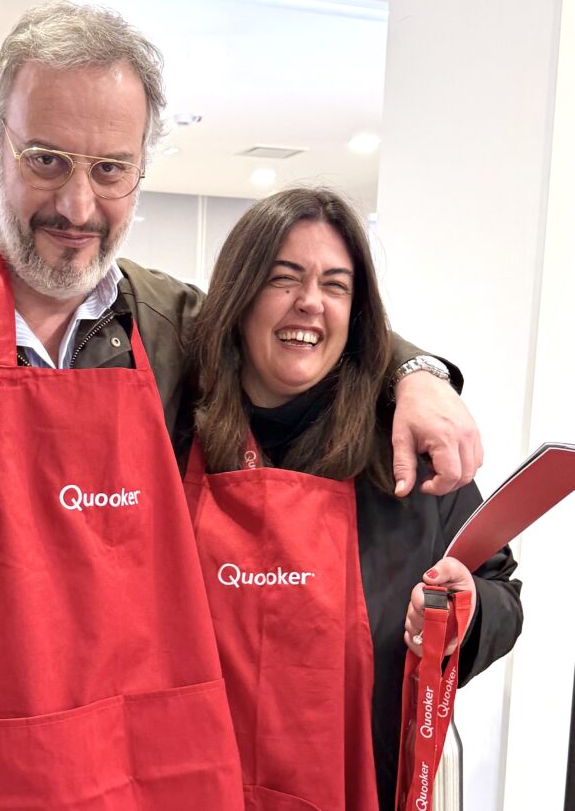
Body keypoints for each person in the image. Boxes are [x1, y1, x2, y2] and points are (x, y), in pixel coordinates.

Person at [0, 2, 482, 810]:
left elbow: (298, 332)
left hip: (93, 779)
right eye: (47, 160)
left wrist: (417, 372)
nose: (76, 207)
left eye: (110, 170)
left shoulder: (168, 328)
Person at [185, 187, 523, 810]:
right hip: (187, 782)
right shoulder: (173, 428)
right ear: (239, 295)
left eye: (335, 286)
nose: (310, 302)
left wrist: (467, 613)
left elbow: (498, 588)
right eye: (283, 278)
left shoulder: (408, 450)